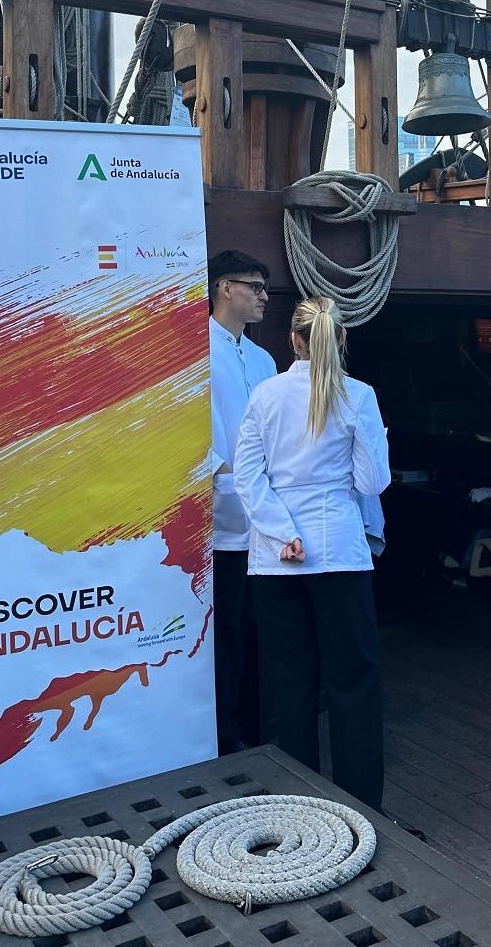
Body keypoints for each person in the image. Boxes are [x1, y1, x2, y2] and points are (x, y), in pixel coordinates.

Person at [234, 296, 390, 809]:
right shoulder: (358, 395)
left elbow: (247, 477)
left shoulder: (264, 394)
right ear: (342, 340)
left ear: (293, 341)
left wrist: (282, 533)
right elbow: (373, 480)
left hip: (274, 560)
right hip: (340, 552)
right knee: (353, 681)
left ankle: (299, 809)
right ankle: (362, 805)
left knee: (290, 682)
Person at [207, 249, 277, 755]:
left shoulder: (264, 358)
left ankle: (260, 728)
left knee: (263, 629)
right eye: (255, 286)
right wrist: (223, 474)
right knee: (226, 629)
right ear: (225, 287)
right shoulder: (193, 352)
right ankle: (224, 734)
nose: (263, 297)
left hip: (268, 518)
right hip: (221, 517)